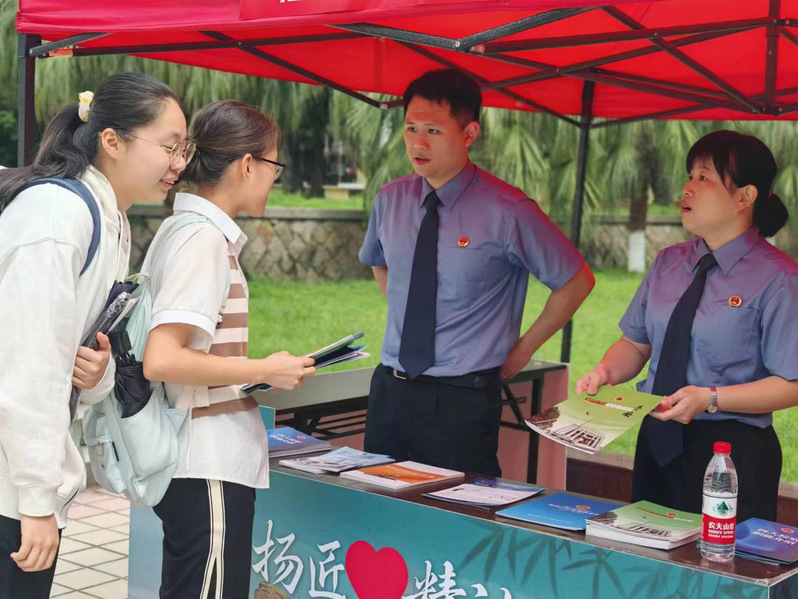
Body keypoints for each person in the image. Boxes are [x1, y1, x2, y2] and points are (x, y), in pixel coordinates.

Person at [0, 72, 190, 596]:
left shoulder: (108, 218)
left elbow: (69, 353)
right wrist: (36, 502)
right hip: (12, 486)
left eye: (185, 149)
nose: (179, 163)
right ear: (112, 140)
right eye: (169, 146)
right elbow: (30, 368)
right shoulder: (58, 216)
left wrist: (98, 373)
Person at [359, 68, 594, 477]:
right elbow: (377, 261)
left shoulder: (508, 210)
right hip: (390, 387)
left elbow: (576, 282)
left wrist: (522, 351)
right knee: (381, 501)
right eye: (411, 128)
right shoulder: (391, 199)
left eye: (433, 130)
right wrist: (409, 313)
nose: (418, 142)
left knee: (457, 507)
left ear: (469, 133)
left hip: (461, 396)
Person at [142, 100, 315, 599]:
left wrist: (256, 373)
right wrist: (264, 369)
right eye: (274, 165)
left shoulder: (185, 230)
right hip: (206, 462)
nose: (273, 179)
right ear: (247, 164)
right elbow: (162, 358)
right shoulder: (204, 240)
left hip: (196, 459)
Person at [577, 130, 798, 522]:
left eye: (704, 178)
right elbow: (636, 343)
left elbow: (791, 384)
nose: (687, 188)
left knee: (719, 558)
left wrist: (710, 398)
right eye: (689, 176)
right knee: (646, 549)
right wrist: (606, 371)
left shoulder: (779, 279)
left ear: (744, 197)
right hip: (656, 438)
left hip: (728, 453)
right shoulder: (669, 262)